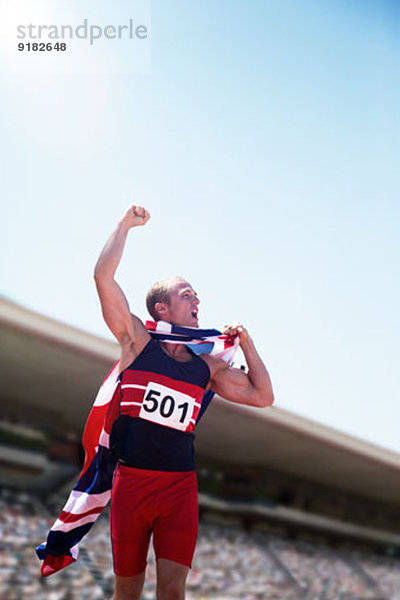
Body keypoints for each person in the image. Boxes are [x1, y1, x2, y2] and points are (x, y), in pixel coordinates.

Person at [94, 205, 274, 600]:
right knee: (127, 591)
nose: (197, 300)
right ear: (162, 308)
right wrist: (124, 226)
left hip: (179, 485)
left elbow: (263, 396)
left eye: (197, 295)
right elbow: (103, 277)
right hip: (132, 483)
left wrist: (246, 342)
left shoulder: (206, 367)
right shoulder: (136, 343)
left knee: (172, 591)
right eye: (187, 294)